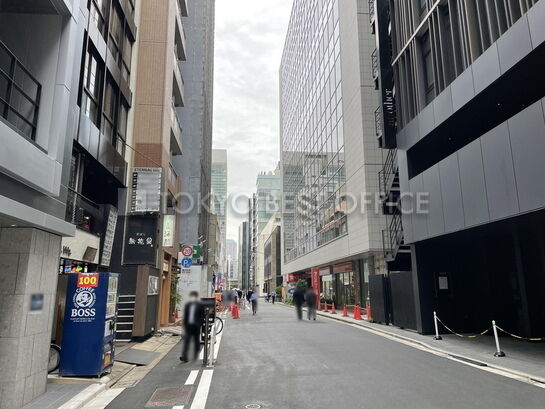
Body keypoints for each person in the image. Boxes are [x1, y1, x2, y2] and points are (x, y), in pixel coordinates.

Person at [180, 291, 205, 362]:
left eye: (193, 296)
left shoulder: (200, 305)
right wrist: (184, 324)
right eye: (191, 296)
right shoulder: (188, 305)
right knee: (187, 340)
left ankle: (196, 352)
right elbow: (185, 315)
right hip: (189, 325)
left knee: (196, 340)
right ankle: (184, 356)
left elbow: (202, 316)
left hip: (196, 326)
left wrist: (199, 324)